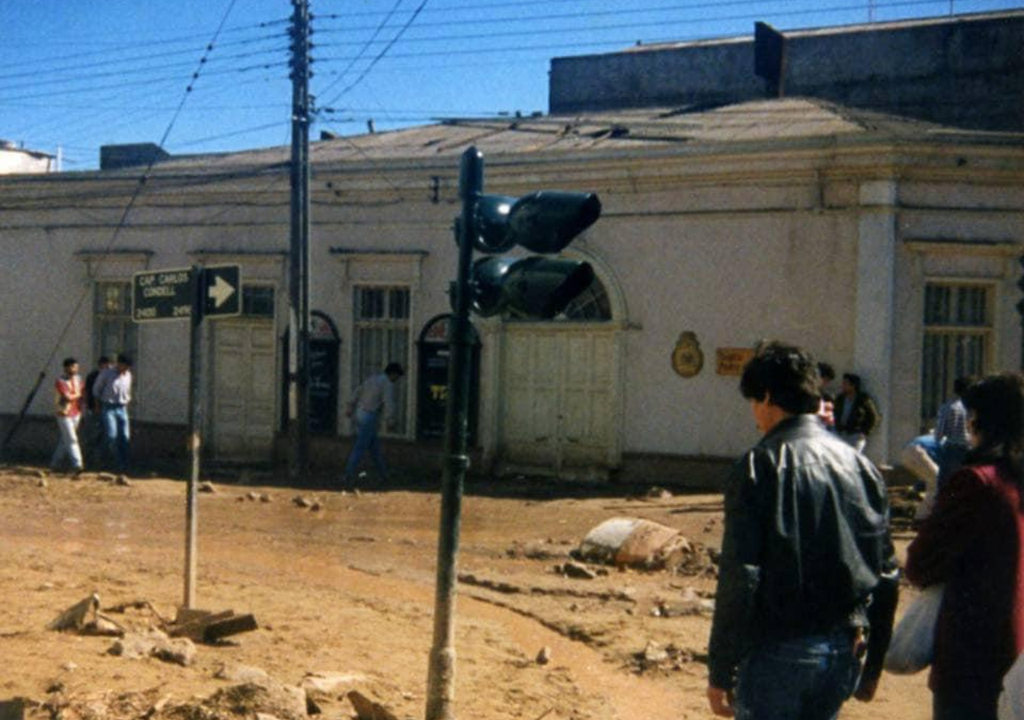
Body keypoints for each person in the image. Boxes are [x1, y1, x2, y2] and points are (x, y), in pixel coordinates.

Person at [707, 342, 899, 720]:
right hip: (842, 648)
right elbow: (887, 573)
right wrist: (873, 665)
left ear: (766, 397)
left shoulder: (759, 465)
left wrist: (720, 668)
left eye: (753, 403)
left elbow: (741, 574)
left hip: (778, 649)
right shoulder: (861, 467)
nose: (754, 416)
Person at [905, 373, 1024, 720]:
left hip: (971, 651)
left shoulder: (974, 482)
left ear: (977, 421)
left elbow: (921, 562)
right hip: (1015, 646)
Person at [342, 362, 404, 484]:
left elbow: (357, 391)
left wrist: (350, 406)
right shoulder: (387, 384)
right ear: (393, 374)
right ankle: (348, 474)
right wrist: (390, 419)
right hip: (370, 416)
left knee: (374, 448)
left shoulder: (373, 379)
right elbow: (388, 402)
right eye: (397, 376)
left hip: (360, 412)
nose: (397, 379)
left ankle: (384, 474)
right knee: (360, 447)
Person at [91, 354, 133, 473]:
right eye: (125, 366)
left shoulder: (128, 375)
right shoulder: (106, 373)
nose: (126, 369)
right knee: (111, 435)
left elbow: (127, 392)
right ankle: (109, 460)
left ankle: (124, 464)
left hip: (122, 407)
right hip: (108, 407)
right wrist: (97, 406)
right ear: (119, 364)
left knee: (125, 437)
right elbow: (96, 390)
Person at [933, 375, 973, 487]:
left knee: (946, 485)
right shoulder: (972, 408)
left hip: (953, 449)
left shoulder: (948, 407)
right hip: (970, 449)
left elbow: (939, 435)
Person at [50, 357, 84, 474]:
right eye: (73, 366)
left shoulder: (79, 379)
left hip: (76, 412)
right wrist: (78, 394)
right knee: (72, 438)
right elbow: (68, 397)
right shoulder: (60, 381)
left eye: (76, 366)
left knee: (65, 439)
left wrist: (78, 395)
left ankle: (55, 463)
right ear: (66, 368)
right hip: (63, 413)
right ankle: (77, 464)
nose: (75, 369)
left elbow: (81, 393)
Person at [833, 372, 881, 452]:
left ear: (853, 386)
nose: (842, 386)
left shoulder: (863, 399)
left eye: (845, 383)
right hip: (841, 433)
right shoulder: (840, 399)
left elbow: (874, 417)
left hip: (855, 435)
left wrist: (865, 432)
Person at [82, 356, 111, 463]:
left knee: (103, 435)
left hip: (106, 409)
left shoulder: (109, 376)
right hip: (93, 409)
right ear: (101, 365)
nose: (108, 367)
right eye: (106, 365)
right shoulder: (93, 376)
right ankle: (90, 458)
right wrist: (90, 407)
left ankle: (100, 458)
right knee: (92, 435)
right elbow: (90, 392)